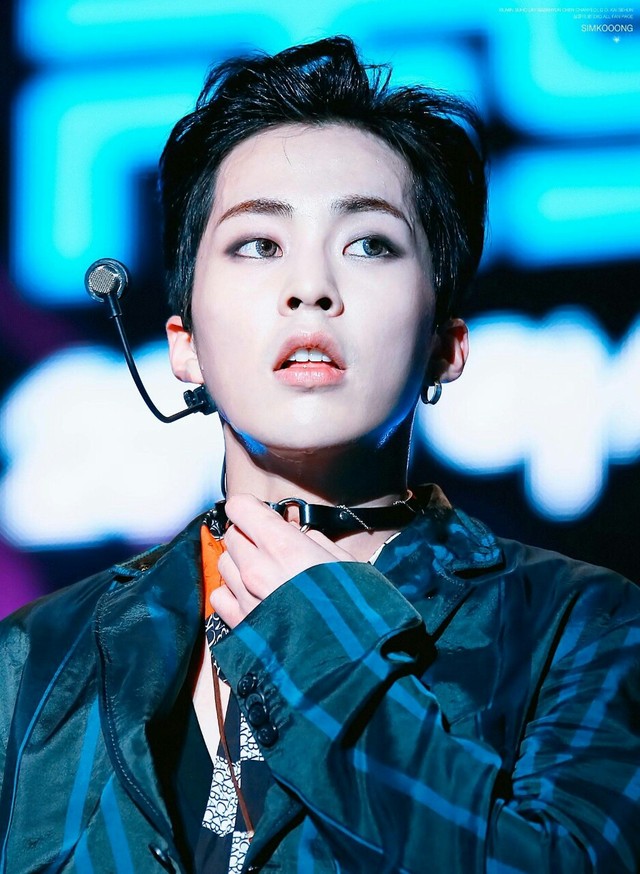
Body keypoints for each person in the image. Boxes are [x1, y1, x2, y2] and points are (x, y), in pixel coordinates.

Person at [1, 35, 639, 874]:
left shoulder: (579, 625)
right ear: (184, 345)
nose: (311, 288)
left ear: (446, 345)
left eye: (369, 244)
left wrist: (321, 641)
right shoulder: (37, 658)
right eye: (258, 245)